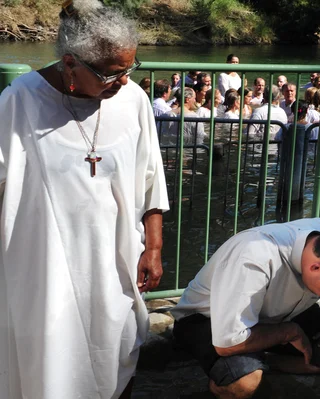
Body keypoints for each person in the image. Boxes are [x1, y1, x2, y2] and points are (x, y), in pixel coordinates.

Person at [0, 1, 169, 398]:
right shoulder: (20, 101)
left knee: (116, 347)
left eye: (130, 68)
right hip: (43, 265)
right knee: (49, 355)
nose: (124, 81)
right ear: (71, 63)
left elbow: (151, 179)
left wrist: (155, 247)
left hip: (115, 259)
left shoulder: (133, 101)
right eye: (111, 73)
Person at [171, 218, 320, 399]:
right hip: (206, 319)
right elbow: (227, 343)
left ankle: (265, 362)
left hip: (282, 315)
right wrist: (289, 332)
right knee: (243, 382)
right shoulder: (255, 255)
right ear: (316, 268)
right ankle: (236, 378)